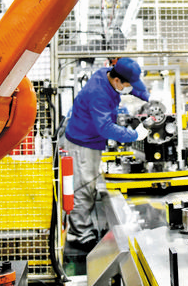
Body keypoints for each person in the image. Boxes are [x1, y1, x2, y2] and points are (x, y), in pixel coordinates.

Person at [63, 58, 150, 251]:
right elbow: (105, 127)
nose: (129, 89)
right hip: (82, 142)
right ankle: (79, 235)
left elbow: (134, 87)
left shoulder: (109, 74)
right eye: (128, 85)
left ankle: (82, 228)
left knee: (89, 185)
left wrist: (147, 97)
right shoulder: (98, 93)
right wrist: (134, 135)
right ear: (117, 81)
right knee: (84, 187)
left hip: (91, 140)